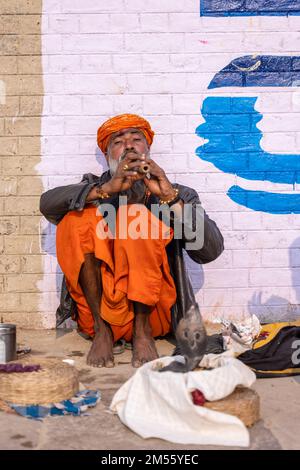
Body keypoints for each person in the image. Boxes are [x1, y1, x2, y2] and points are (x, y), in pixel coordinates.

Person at [40, 114, 224, 368]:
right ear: (107, 155)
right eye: (118, 141)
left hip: (156, 311)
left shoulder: (175, 193)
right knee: (74, 221)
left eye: (136, 139)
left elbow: (210, 250)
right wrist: (107, 190)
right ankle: (102, 331)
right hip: (101, 313)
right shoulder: (95, 188)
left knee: (135, 216)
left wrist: (170, 197)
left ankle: (142, 331)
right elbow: (47, 204)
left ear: (147, 150)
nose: (128, 145)